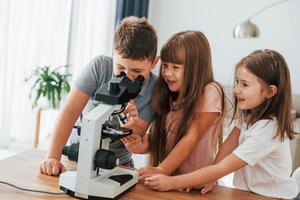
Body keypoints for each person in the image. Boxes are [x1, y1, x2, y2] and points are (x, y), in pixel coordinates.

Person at [143, 49, 299, 199]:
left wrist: (172, 182)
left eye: (244, 84)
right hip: (249, 194)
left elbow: (223, 168)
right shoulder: (248, 117)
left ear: (270, 92)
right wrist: (210, 178)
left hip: (276, 196)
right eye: (237, 82)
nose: (236, 90)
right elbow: (228, 145)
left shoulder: (268, 129)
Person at [39, 16, 159, 176]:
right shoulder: (100, 67)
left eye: (137, 72)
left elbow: (137, 135)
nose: (128, 77)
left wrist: (132, 126)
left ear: (153, 62)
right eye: (120, 68)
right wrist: (53, 157)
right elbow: (69, 112)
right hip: (77, 156)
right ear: (113, 54)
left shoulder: (155, 89)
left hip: (118, 164)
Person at [121, 30, 225, 191]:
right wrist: (141, 145)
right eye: (164, 66)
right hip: (166, 184)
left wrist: (162, 169)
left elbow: (193, 136)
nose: (167, 73)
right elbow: (165, 137)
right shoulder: (167, 94)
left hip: (198, 188)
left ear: (195, 68)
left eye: (176, 67)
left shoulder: (211, 92)